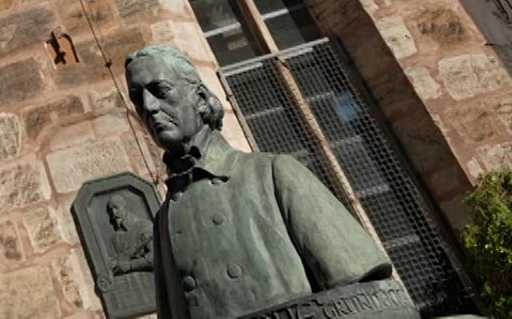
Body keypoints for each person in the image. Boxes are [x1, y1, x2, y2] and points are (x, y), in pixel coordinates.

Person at [125, 45, 395, 319]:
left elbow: (371, 298)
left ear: (201, 99)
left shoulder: (274, 173)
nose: (148, 107)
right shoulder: (165, 219)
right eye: (138, 99)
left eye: (160, 91)